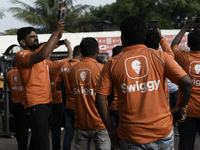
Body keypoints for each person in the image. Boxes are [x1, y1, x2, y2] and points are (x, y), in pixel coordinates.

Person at [95, 16, 192, 150]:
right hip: (162, 133)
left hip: (130, 135)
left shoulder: (112, 63)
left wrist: (111, 129)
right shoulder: (161, 56)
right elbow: (186, 82)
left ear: (123, 38)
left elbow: (100, 100)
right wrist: (182, 105)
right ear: (143, 36)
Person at [14, 5, 65, 150]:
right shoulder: (22, 55)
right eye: (32, 37)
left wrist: (61, 15)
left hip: (45, 104)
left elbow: (56, 37)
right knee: (43, 145)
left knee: (37, 143)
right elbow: (43, 54)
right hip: (36, 105)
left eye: (37, 36)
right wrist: (55, 31)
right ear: (23, 42)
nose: (36, 38)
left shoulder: (39, 52)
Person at [67, 37, 111, 150]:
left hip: (80, 123)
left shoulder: (72, 70)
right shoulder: (102, 69)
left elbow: (72, 91)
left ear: (81, 52)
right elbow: (110, 95)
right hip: (101, 122)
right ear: (97, 51)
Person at [171, 17, 200, 150]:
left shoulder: (183, 57)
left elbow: (173, 46)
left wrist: (184, 29)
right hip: (186, 111)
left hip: (186, 110)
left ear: (188, 44)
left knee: (186, 145)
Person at [46, 39, 72, 150]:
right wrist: (68, 46)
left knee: (44, 130)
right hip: (55, 102)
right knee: (56, 130)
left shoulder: (39, 64)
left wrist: (51, 47)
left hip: (43, 102)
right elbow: (70, 58)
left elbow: (45, 53)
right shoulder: (53, 65)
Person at [144, 28, 178, 110]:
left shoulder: (137, 59)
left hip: (145, 102)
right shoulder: (163, 58)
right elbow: (170, 53)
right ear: (158, 45)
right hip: (162, 101)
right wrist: (161, 38)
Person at [57, 45, 82, 150]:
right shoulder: (80, 67)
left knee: (68, 133)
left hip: (68, 105)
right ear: (81, 54)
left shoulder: (63, 67)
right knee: (81, 134)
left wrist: (67, 89)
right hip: (80, 105)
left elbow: (58, 86)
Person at [6, 64, 29, 150]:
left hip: (14, 103)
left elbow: (9, 87)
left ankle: (20, 145)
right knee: (24, 127)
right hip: (25, 104)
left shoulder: (9, 73)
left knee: (17, 126)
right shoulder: (25, 72)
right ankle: (23, 147)